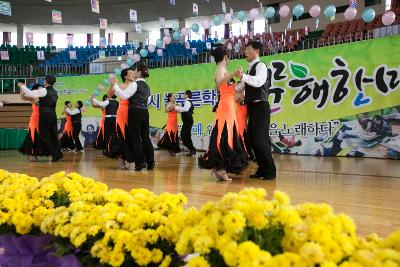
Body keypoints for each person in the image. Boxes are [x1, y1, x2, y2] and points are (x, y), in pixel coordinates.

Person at [198, 46, 248, 181]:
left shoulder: (225, 70)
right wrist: (233, 74)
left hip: (230, 105)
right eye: (228, 56)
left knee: (228, 134)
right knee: (223, 133)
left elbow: (235, 89)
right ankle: (219, 168)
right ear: (225, 56)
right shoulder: (220, 69)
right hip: (225, 106)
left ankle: (221, 168)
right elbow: (220, 82)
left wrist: (242, 78)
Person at [236, 41, 276, 180]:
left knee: (260, 140)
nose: (245, 52)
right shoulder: (249, 69)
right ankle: (262, 169)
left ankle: (270, 170)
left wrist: (243, 77)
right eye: (245, 49)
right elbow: (240, 87)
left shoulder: (261, 66)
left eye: (248, 49)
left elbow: (259, 81)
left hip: (261, 106)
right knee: (252, 140)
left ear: (257, 51)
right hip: (252, 107)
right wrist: (225, 82)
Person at [110, 65, 154, 171]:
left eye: (134, 71)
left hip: (135, 112)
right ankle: (150, 162)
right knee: (146, 138)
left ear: (139, 72)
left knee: (135, 138)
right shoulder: (147, 86)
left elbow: (124, 96)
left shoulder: (135, 84)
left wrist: (115, 85)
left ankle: (139, 163)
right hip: (145, 112)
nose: (133, 72)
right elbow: (148, 101)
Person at [18, 75, 63, 162]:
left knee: (45, 136)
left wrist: (22, 86)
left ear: (46, 81)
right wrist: (21, 89)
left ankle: (55, 154)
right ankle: (55, 154)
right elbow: (24, 97)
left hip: (44, 117)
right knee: (45, 136)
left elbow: (30, 93)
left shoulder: (43, 92)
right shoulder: (52, 92)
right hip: (46, 117)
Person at [107, 70, 133, 169]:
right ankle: (121, 158)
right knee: (121, 135)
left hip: (133, 112)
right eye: (130, 73)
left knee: (132, 136)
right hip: (123, 112)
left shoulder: (135, 85)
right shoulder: (121, 86)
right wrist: (112, 85)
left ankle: (131, 158)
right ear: (125, 76)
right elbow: (109, 96)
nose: (132, 74)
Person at [18, 84, 49, 161]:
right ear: (36, 90)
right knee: (33, 136)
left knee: (39, 137)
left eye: (42, 88)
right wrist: (21, 89)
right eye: (40, 88)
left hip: (42, 119)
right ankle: (31, 154)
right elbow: (23, 98)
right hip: (34, 119)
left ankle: (35, 154)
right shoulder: (34, 98)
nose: (42, 89)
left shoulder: (45, 98)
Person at [175, 90, 196, 156]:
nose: (183, 95)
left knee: (184, 135)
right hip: (187, 121)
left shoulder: (187, 102)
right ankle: (192, 149)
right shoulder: (187, 102)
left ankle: (192, 149)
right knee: (186, 136)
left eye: (184, 94)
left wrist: (176, 107)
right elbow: (184, 110)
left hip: (188, 121)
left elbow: (185, 109)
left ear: (187, 95)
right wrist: (177, 109)